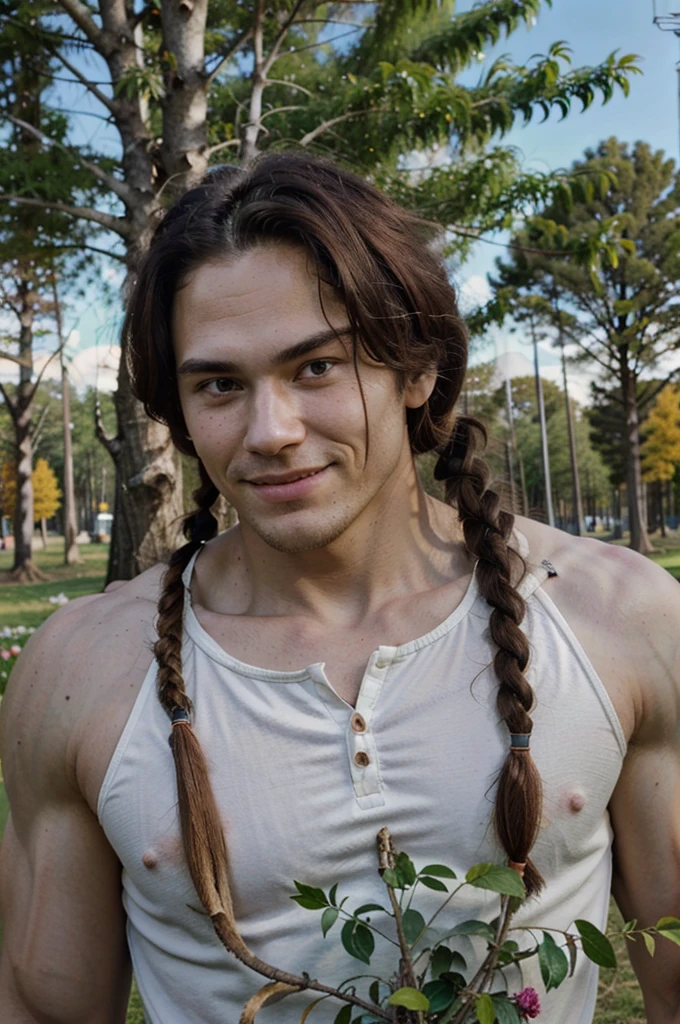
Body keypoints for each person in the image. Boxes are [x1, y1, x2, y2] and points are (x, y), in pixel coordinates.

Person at [0, 154, 678, 1024]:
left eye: (316, 367)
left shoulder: (617, 619)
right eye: (219, 384)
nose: (271, 431)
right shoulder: (81, 671)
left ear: (417, 367)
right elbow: (39, 1006)